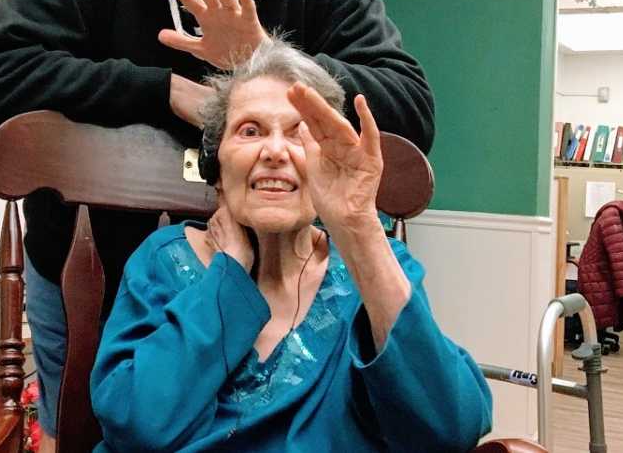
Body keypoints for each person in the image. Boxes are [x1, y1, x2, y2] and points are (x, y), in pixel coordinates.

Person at [0, 0, 435, 447]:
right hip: (90, 278)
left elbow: (411, 109)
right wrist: (161, 90)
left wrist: (263, 56)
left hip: (275, 293)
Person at [91, 39, 491, 451]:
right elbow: (134, 425)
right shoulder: (165, 262)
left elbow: (449, 430)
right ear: (216, 164)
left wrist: (360, 231)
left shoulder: (375, 269)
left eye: (301, 134)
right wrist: (228, 276)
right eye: (251, 130)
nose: (276, 151)